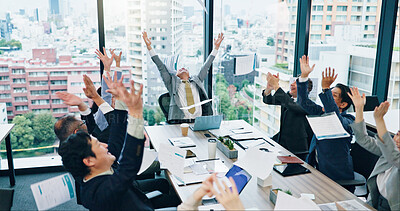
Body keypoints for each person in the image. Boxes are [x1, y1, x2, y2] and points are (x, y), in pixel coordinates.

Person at [59, 74, 245, 210]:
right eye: (98, 144)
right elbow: (128, 168)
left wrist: (123, 105)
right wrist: (136, 115)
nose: (104, 144)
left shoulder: (95, 171)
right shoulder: (99, 193)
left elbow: (116, 135)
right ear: (89, 161)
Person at [142, 31, 224, 122]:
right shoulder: (172, 83)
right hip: (180, 122)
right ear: (175, 74)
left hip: (199, 121)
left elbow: (207, 65)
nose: (183, 68)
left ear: (189, 74)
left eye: (185, 68)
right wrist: (149, 47)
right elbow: (160, 66)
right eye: (179, 69)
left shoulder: (197, 80)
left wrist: (216, 48)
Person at [297, 55, 355, 183]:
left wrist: (326, 89)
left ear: (343, 104)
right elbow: (303, 102)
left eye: (333, 95)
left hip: (336, 177)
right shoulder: (321, 112)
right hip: (314, 170)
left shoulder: (349, 121)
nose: (327, 97)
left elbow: (334, 118)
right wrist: (304, 77)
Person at [348, 87, 399, 211]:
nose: (397, 140)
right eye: (398, 134)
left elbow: (393, 157)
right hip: (375, 201)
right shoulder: (386, 150)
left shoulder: (391, 153)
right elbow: (362, 139)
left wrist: (379, 120)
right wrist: (359, 109)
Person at [262, 72, 314, 160]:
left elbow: (291, 105)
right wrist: (269, 89)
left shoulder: (308, 105)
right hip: (282, 142)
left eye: (296, 83)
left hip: (297, 149)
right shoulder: (288, 98)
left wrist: (276, 86)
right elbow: (268, 100)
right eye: (293, 82)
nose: (292, 84)